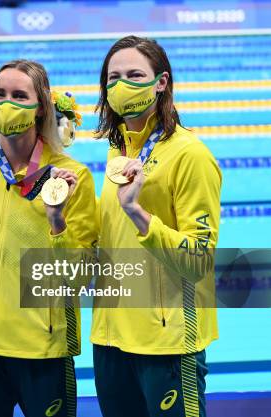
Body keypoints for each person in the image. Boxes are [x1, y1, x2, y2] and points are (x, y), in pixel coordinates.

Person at [0, 59, 98, 417]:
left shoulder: (71, 176)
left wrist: (56, 220)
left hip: (44, 349)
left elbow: (78, 278)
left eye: (20, 95)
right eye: (0, 94)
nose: (7, 104)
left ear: (40, 108)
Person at [92, 35, 221, 417]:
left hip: (168, 341)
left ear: (161, 82)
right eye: (113, 78)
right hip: (111, 336)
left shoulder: (190, 155)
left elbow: (199, 259)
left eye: (134, 75)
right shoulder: (118, 151)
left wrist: (137, 213)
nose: (121, 86)